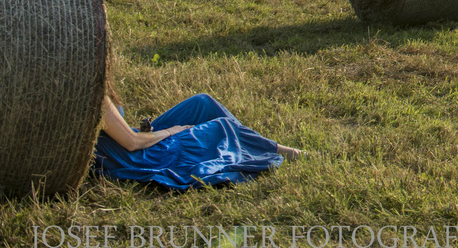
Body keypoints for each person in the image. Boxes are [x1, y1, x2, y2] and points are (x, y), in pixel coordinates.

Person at [96, 84, 303, 190]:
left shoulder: (90, 89)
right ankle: (278, 150)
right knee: (223, 127)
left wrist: (147, 132)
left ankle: (252, 146)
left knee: (202, 103)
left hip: (134, 141)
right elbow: (131, 144)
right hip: (140, 155)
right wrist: (170, 131)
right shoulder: (94, 97)